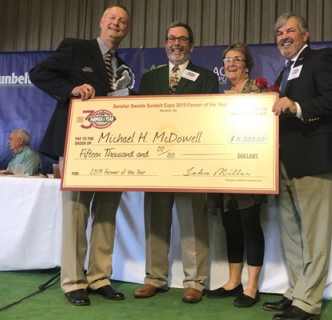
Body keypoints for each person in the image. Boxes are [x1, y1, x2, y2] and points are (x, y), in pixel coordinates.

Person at [29, 4, 135, 306]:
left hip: (112, 151)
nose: (116, 24)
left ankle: (100, 277)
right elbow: (39, 73)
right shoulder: (75, 48)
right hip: (77, 147)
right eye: (112, 18)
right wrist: (72, 88)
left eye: (122, 21)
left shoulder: (123, 68)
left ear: (126, 30)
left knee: (106, 215)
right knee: (75, 214)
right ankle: (74, 281)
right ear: (102, 22)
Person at [264, 13, 332, 320]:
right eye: (279, 33)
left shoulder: (321, 58)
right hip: (285, 161)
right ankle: (296, 291)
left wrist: (297, 106)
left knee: (313, 234)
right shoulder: (283, 72)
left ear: (305, 35)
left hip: (314, 157)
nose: (283, 36)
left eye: (290, 31)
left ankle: (308, 303)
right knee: (291, 233)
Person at [133, 21, 219, 304]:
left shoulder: (207, 78)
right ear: (165, 44)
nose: (176, 43)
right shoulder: (149, 79)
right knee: (155, 220)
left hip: (191, 162)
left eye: (182, 39)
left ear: (192, 46)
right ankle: (154, 278)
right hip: (156, 162)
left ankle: (195, 282)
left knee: (193, 220)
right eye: (171, 39)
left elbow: (209, 120)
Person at [206, 43, 265, 308]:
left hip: (251, 169)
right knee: (230, 224)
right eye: (227, 59)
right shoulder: (221, 95)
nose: (231, 63)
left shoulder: (260, 92)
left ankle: (252, 286)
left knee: (249, 224)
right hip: (225, 171)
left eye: (237, 59)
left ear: (247, 65)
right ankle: (233, 282)